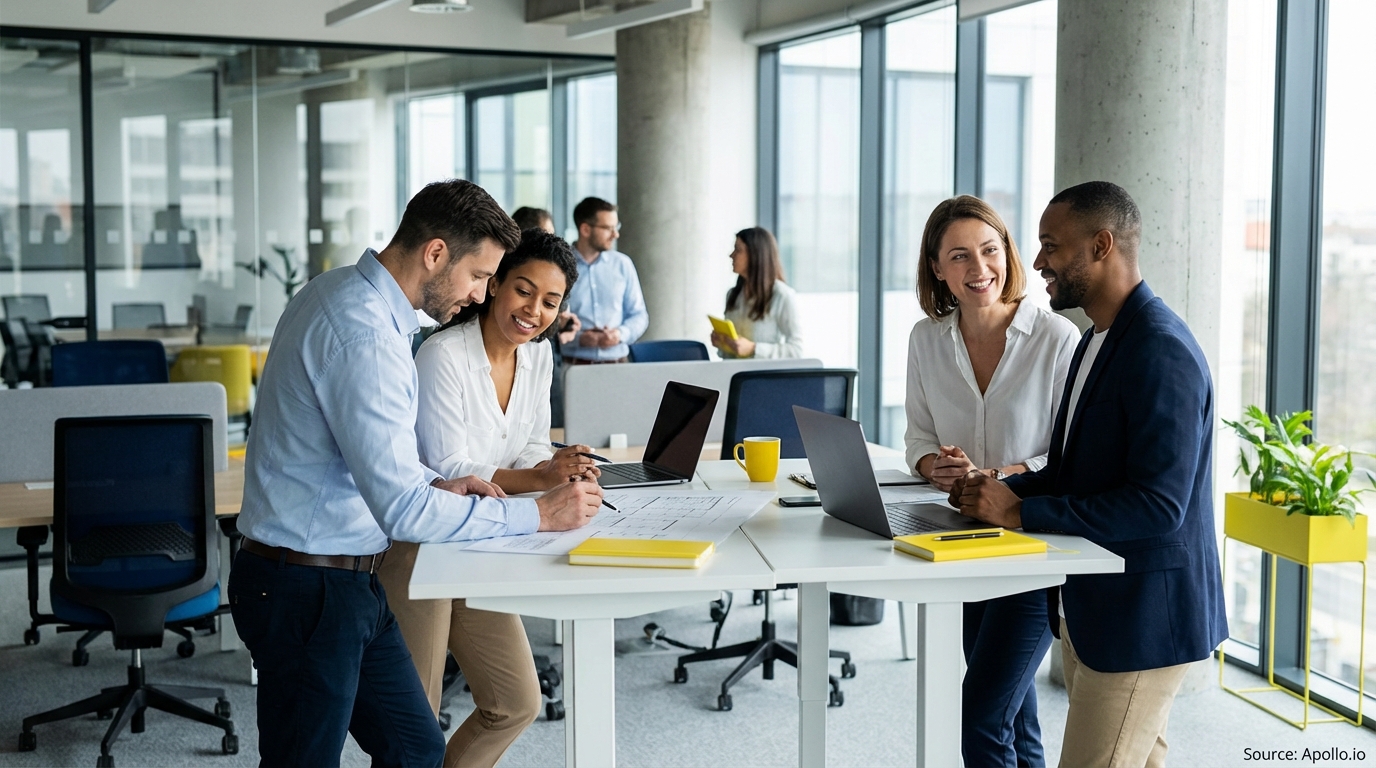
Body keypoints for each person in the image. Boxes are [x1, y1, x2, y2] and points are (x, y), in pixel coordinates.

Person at [229, 179, 604, 767]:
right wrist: (537, 511)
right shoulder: (366, 336)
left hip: (345, 579)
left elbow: (370, 461)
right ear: (435, 254)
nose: (481, 294)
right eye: (480, 277)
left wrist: (439, 485)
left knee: (417, 752)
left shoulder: (341, 295)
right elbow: (402, 510)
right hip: (307, 586)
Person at [952, 181, 1227, 768]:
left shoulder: (1161, 350)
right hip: (1095, 605)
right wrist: (994, 494)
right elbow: (1074, 472)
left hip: (1142, 620)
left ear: (1102, 245)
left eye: (1052, 245)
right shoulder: (1096, 340)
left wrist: (1020, 511)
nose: (1039, 261)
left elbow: (1157, 506)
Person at [376, 229, 597, 767]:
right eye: (524, 290)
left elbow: (531, 447)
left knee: (516, 702)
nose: (534, 310)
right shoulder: (442, 354)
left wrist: (554, 470)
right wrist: (543, 477)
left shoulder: (539, 359)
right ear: (494, 283)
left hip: (486, 541)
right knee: (419, 717)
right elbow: (452, 468)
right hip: (421, 545)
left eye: (551, 301)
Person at [905, 196, 1080, 767]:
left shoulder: (1056, 339)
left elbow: (1067, 453)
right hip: (962, 544)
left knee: (980, 718)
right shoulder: (926, 340)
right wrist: (939, 468)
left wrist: (1002, 475)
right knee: (1013, 713)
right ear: (938, 268)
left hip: (1030, 547)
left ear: (1008, 252)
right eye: (959, 256)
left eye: (990, 249)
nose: (980, 268)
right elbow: (918, 440)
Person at [510, 206, 579, 426]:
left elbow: (537, 442)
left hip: (546, 343)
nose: (550, 244)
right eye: (523, 292)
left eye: (550, 303)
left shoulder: (542, 351)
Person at [561, 197, 648, 364]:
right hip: (574, 366)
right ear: (585, 229)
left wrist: (619, 334)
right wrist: (579, 339)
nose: (615, 234)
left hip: (618, 364)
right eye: (608, 228)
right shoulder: (561, 266)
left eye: (616, 227)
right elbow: (551, 320)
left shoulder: (623, 264)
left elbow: (639, 315)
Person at [711, 226, 804, 359]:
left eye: (738, 250)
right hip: (732, 375)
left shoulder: (782, 296)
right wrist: (723, 344)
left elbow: (796, 350)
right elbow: (729, 355)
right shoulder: (733, 295)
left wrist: (754, 349)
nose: (731, 255)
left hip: (762, 377)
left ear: (755, 255)